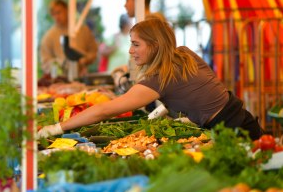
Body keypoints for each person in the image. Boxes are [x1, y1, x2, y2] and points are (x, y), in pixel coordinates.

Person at [37, 16, 263, 141]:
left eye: (136, 44)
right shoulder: (184, 53)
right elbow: (206, 89)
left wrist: (58, 128)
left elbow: (105, 110)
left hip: (233, 131)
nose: (130, 51)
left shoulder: (159, 80)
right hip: (242, 119)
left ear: (154, 46)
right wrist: (195, 115)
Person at [40, 0, 98, 76]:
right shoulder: (48, 37)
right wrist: (58, 64)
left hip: (82, 77)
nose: (57, 16)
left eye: (59, 12)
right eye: (53, 14)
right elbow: (45, 62)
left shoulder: (82, 30)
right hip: (60, 81)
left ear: (67, 10)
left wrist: (85, 60)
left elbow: (93, 51)